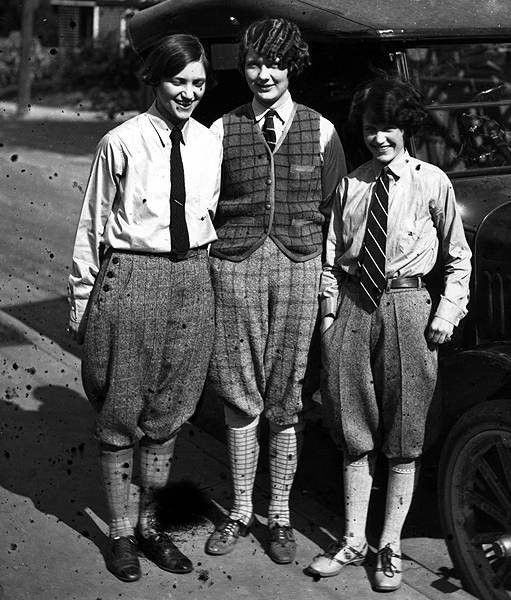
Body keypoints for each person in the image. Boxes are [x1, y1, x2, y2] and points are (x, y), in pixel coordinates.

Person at [67, 34, 222, 582]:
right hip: (133, 277)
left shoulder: (210, 142)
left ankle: (150, 527)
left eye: (198, 83)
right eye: (177, 81)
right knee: (120, 413)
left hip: (192, 279)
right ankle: (119, 534)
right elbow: (92, 225)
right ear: (155, 80)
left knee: (169, 414)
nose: (187, 93)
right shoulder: (121, 142)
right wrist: (83, 299)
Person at [307, 77, 472, 592]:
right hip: (355, 308)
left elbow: (458, 257)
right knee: (354, 430)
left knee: (404, 435)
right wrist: (331, 321)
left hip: (408, 307)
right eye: (372, 128)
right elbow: (330, 258)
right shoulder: (352, 184)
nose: (380, 137)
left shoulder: (432, 182)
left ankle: (389, 547)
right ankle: (353, 538)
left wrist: (446, 313)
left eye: (390, 127)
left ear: (408, 128)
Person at [204, 17, 346, 565]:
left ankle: (280, 515)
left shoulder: (323, 129)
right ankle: (241, 509)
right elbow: (204, 204)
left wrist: (327, 281)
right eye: (255, 64)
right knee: (240, 391)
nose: (265, 74)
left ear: (293, 68)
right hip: (234, 266)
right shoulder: (222, 128)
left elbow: (335, 212)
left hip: (300, 267)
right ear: (243, 68)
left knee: (286, 394)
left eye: (276, 64)